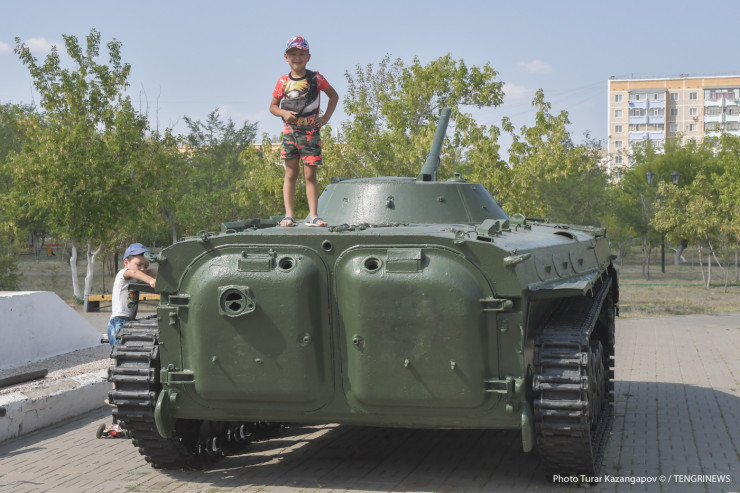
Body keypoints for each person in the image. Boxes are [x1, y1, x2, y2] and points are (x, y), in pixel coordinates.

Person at [270, 35, 338, 227]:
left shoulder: (316, 78)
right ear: (286, 57)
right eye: (293, 54)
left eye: (301, 54)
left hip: (310, 132)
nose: (297, 58)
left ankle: (314, 215)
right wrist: (283, 112)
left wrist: (325, 118)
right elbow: (273, 107)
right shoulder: (283, 81)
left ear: (308, 57)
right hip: (290, 132)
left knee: (310, 175)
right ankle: (289, 215)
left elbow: (333, 96)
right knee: (291, 174)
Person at [106, 243, 156, 346]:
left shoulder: (135, 279)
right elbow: (133, 272)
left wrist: (152, 272)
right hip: (118, 321)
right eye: (139, 265)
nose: (143, 269)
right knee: (121, 350)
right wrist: (150, 280)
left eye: (146, 266)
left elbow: (142, 273)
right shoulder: (123, 273)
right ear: (126, 262)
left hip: (127, 320)